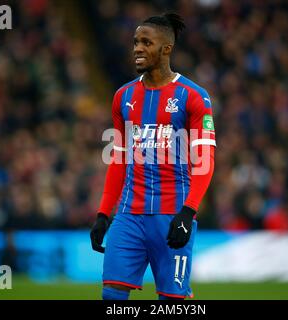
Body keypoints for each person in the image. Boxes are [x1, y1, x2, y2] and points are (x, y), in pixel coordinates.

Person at [90, 13, 216, 300]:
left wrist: (188, 212)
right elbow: (119, 159)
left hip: (172, 215)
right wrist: (103, 213)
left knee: (172, 301)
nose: (137, 48)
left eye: (146, 42)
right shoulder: (122, 97)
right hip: (128, 215)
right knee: (111, 295)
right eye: (136, 42)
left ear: (166, 49)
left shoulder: (193, 96)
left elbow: (205, 160)